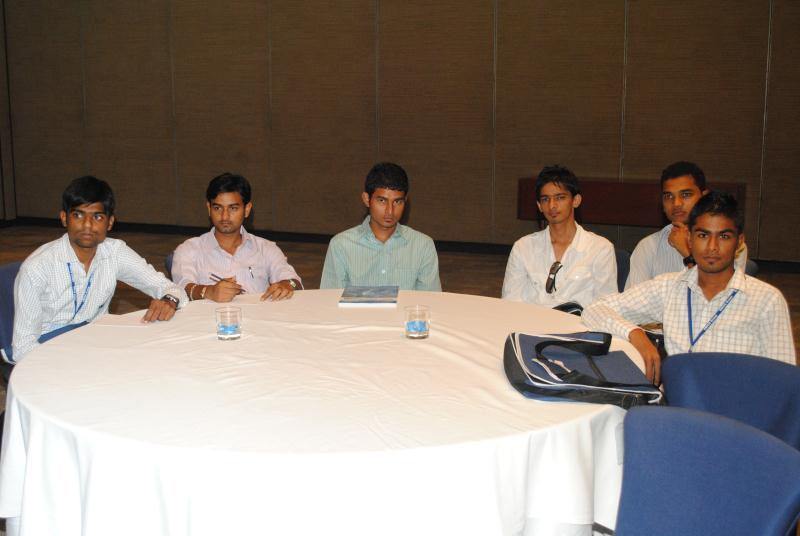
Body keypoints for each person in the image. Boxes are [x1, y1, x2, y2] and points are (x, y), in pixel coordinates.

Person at [584, 191, 795, 385]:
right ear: (690, 239)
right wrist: (636, 334)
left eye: (724, 236)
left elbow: (784, 382)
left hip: (735, 404)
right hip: (678, 400)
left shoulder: (766, 300)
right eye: (703, 235)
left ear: (739, 242)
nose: (712, 247)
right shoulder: (670, 287)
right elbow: (595, 310)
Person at [9, 176, 187, 363]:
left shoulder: (115, 252)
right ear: (64, 218)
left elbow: (172, 289)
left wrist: (169, 300)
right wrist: (67, 362)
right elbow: (23, 348)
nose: (87, 225)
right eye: (78, 215)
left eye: (97, 217)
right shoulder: (38, 268)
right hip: (48, 351)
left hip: (95, 346)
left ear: (110, 223)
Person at [171, 173, 302, 302]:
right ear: (209, 208)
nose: (224, 216)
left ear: (247, 209)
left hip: (258, 314)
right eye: (217, 208)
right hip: (209, 316)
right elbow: (181, 287)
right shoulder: (189, 249)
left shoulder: (265, 248)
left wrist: (287, 285)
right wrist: (208, 291)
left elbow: (295, 282)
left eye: (233, 208)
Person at [502, 165, 617, 309]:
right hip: (532, 321)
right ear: (539, 206)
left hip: (578, 322)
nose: (552, 206)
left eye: (560, 198)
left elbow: (607, 306)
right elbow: (510, 302)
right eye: (545, 199)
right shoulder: (523, 247)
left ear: (576, 200)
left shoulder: (600, 249)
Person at [320, 162, 441, 291]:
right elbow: (330, 299)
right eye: (382, 200)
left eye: (397, 202)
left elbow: (430, 300)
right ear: (366, 199)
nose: (390, 211)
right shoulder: (341, 245)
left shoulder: (422, 246)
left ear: (405, 201)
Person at [625, 161, 747, 289]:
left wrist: (688, 255)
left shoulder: (730, 244)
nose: (676, 203)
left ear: (703, 197)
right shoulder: (648, 247)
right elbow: (632, 299)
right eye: (668, 196)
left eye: (686, 195)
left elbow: (724, 296)